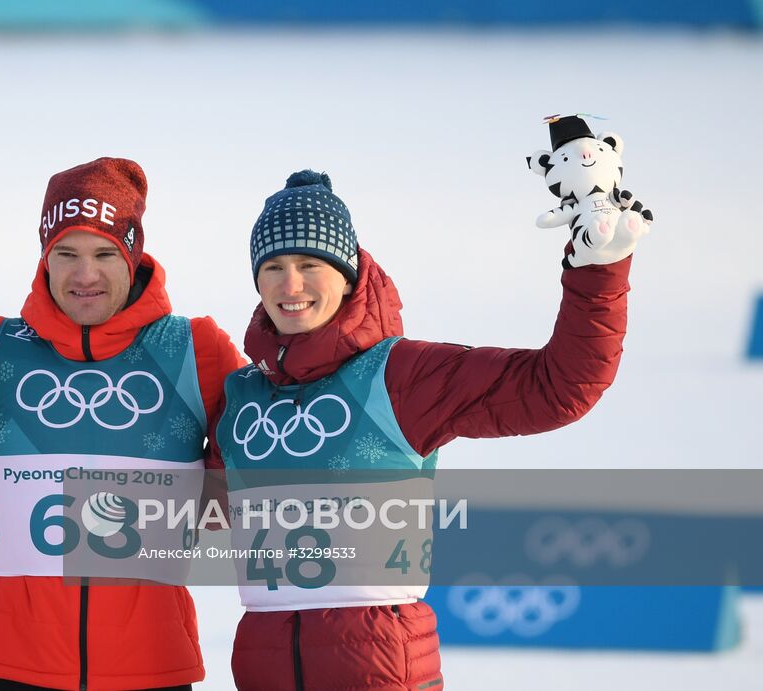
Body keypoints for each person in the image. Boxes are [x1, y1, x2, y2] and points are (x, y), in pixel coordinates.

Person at [215, 134, 641, 690]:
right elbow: (185, 504)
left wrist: (598, 270)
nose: (289, 285)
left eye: (309, 263)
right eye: (272, 267)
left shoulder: (402, 375)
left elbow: (559, 386)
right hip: (262, 664)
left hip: (378, 666)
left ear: (346, 276)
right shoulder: (244, 394)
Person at [0, 157, 246, 691]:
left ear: (132, 254)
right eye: (67, 255)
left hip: (153, 662)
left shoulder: (194, 348)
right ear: (45, 259)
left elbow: (252, 455)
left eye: (105, 253)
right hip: (16, 662)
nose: (85, 276)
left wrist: (188, 517)